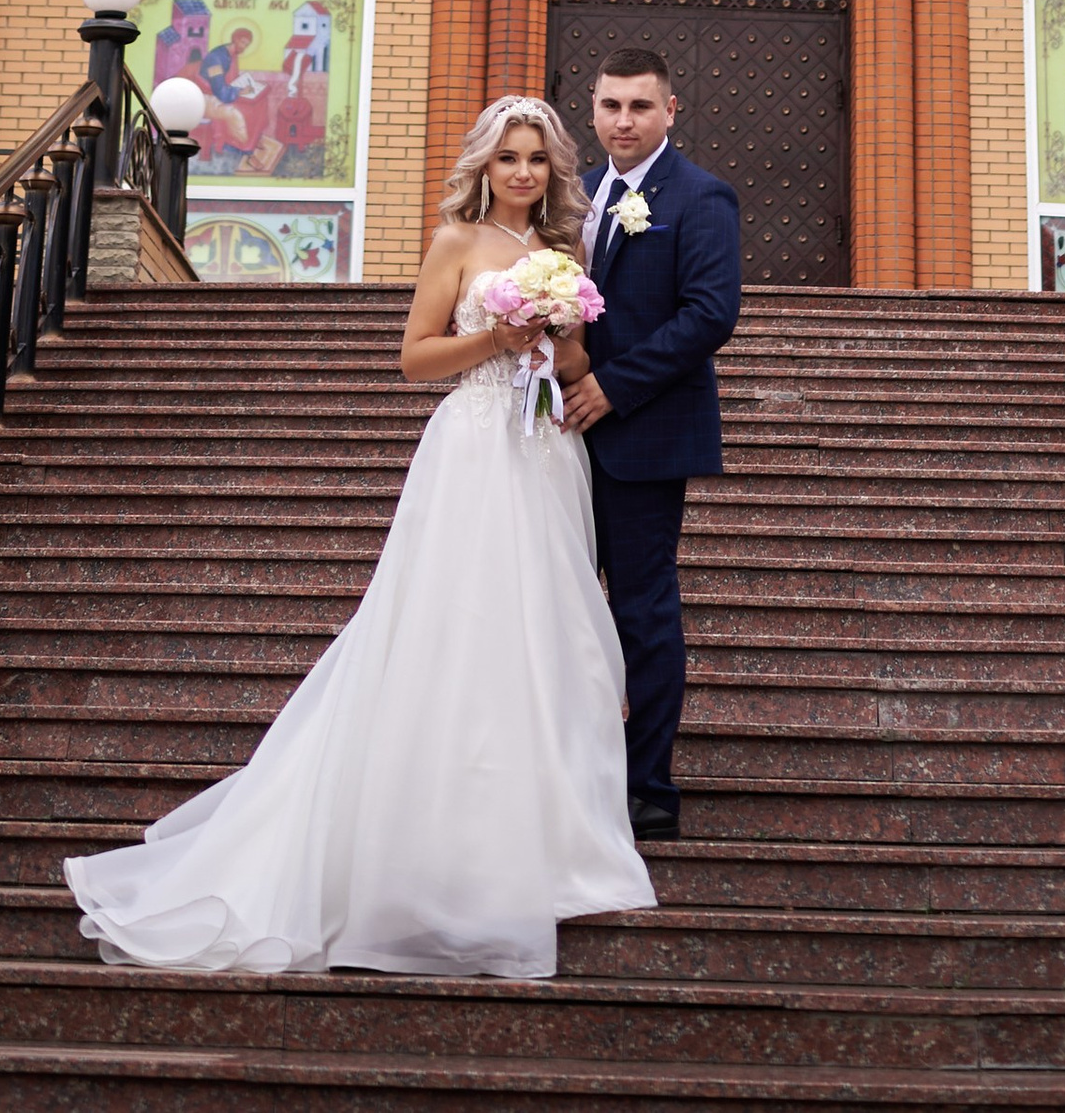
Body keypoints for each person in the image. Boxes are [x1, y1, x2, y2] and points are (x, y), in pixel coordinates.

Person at [65, 96, 653, 979]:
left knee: (544, 632)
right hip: (472, 449)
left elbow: (571, 366)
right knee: (455, 625)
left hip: (545, 450)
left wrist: (562, 335)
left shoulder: (560, 256)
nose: (523, 172)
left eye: (536, 158)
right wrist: (497, 335)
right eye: (508, 158)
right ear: (485, 166)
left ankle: (543, 835)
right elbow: (415, 356)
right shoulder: (455, 242)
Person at [561, 48, 742, 840]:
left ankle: (647, 787)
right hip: (563, 436)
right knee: (561, 605)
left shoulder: (701, 196)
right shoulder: (578, 195)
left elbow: (709, 313)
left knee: (642, 608)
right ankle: (573, 769)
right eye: (611, 105)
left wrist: (614, 385)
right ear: (593, 108)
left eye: (640, 105)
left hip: (646, 432)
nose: (623, 120)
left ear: (671, 110)